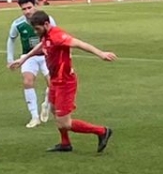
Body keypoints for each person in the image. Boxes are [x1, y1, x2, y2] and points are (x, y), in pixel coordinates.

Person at [28, 9, 114, 153]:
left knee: (65, 123)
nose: (36, 32)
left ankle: (102, 131)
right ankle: (65, 143)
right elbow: (42, 45)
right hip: (55, 81)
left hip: (65, 82)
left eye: (37, 29)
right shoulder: (46, 35)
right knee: (54, 110)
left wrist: (101, 53)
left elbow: (80, 44)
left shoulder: (57, 36)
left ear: (46, 24)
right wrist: (24, 58)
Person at [6, 0, 54, 128]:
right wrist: (10, 59)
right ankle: (34, 116)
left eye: (29, 7)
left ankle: (47, 103)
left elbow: (55, 36)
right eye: (24, 9)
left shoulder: (47, 20)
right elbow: (11, 39)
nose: (27, 11)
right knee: (27, 81)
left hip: (46, 55)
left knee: (52, 83)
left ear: (35, 6)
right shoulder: (18, 24)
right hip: (28, 57)